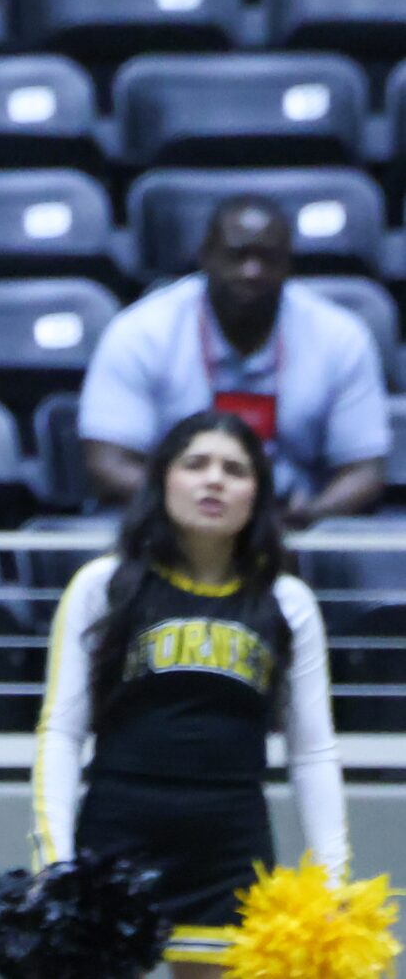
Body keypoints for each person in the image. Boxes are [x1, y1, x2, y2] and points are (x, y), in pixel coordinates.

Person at [33, 410, 347, 972]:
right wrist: (53, 856)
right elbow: (61, 731)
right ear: (162, 481)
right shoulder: (104, 586)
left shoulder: (288, 600)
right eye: (195, 464)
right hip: (114, 837)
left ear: (258, 493)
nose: (214, 480)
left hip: (229, 848)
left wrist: (332, 875)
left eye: (235, 469)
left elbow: (313, 752)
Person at [79, 196, 389, 529]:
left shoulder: (339, 336)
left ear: (288, 265)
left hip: (295, 528)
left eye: (267, 258)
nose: (252, 270)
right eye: (237, 255)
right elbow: (107, 462)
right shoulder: (140, 332)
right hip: (169, 525)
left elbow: (365, 471)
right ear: (206, 257)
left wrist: (308, 515)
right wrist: (200, 513)